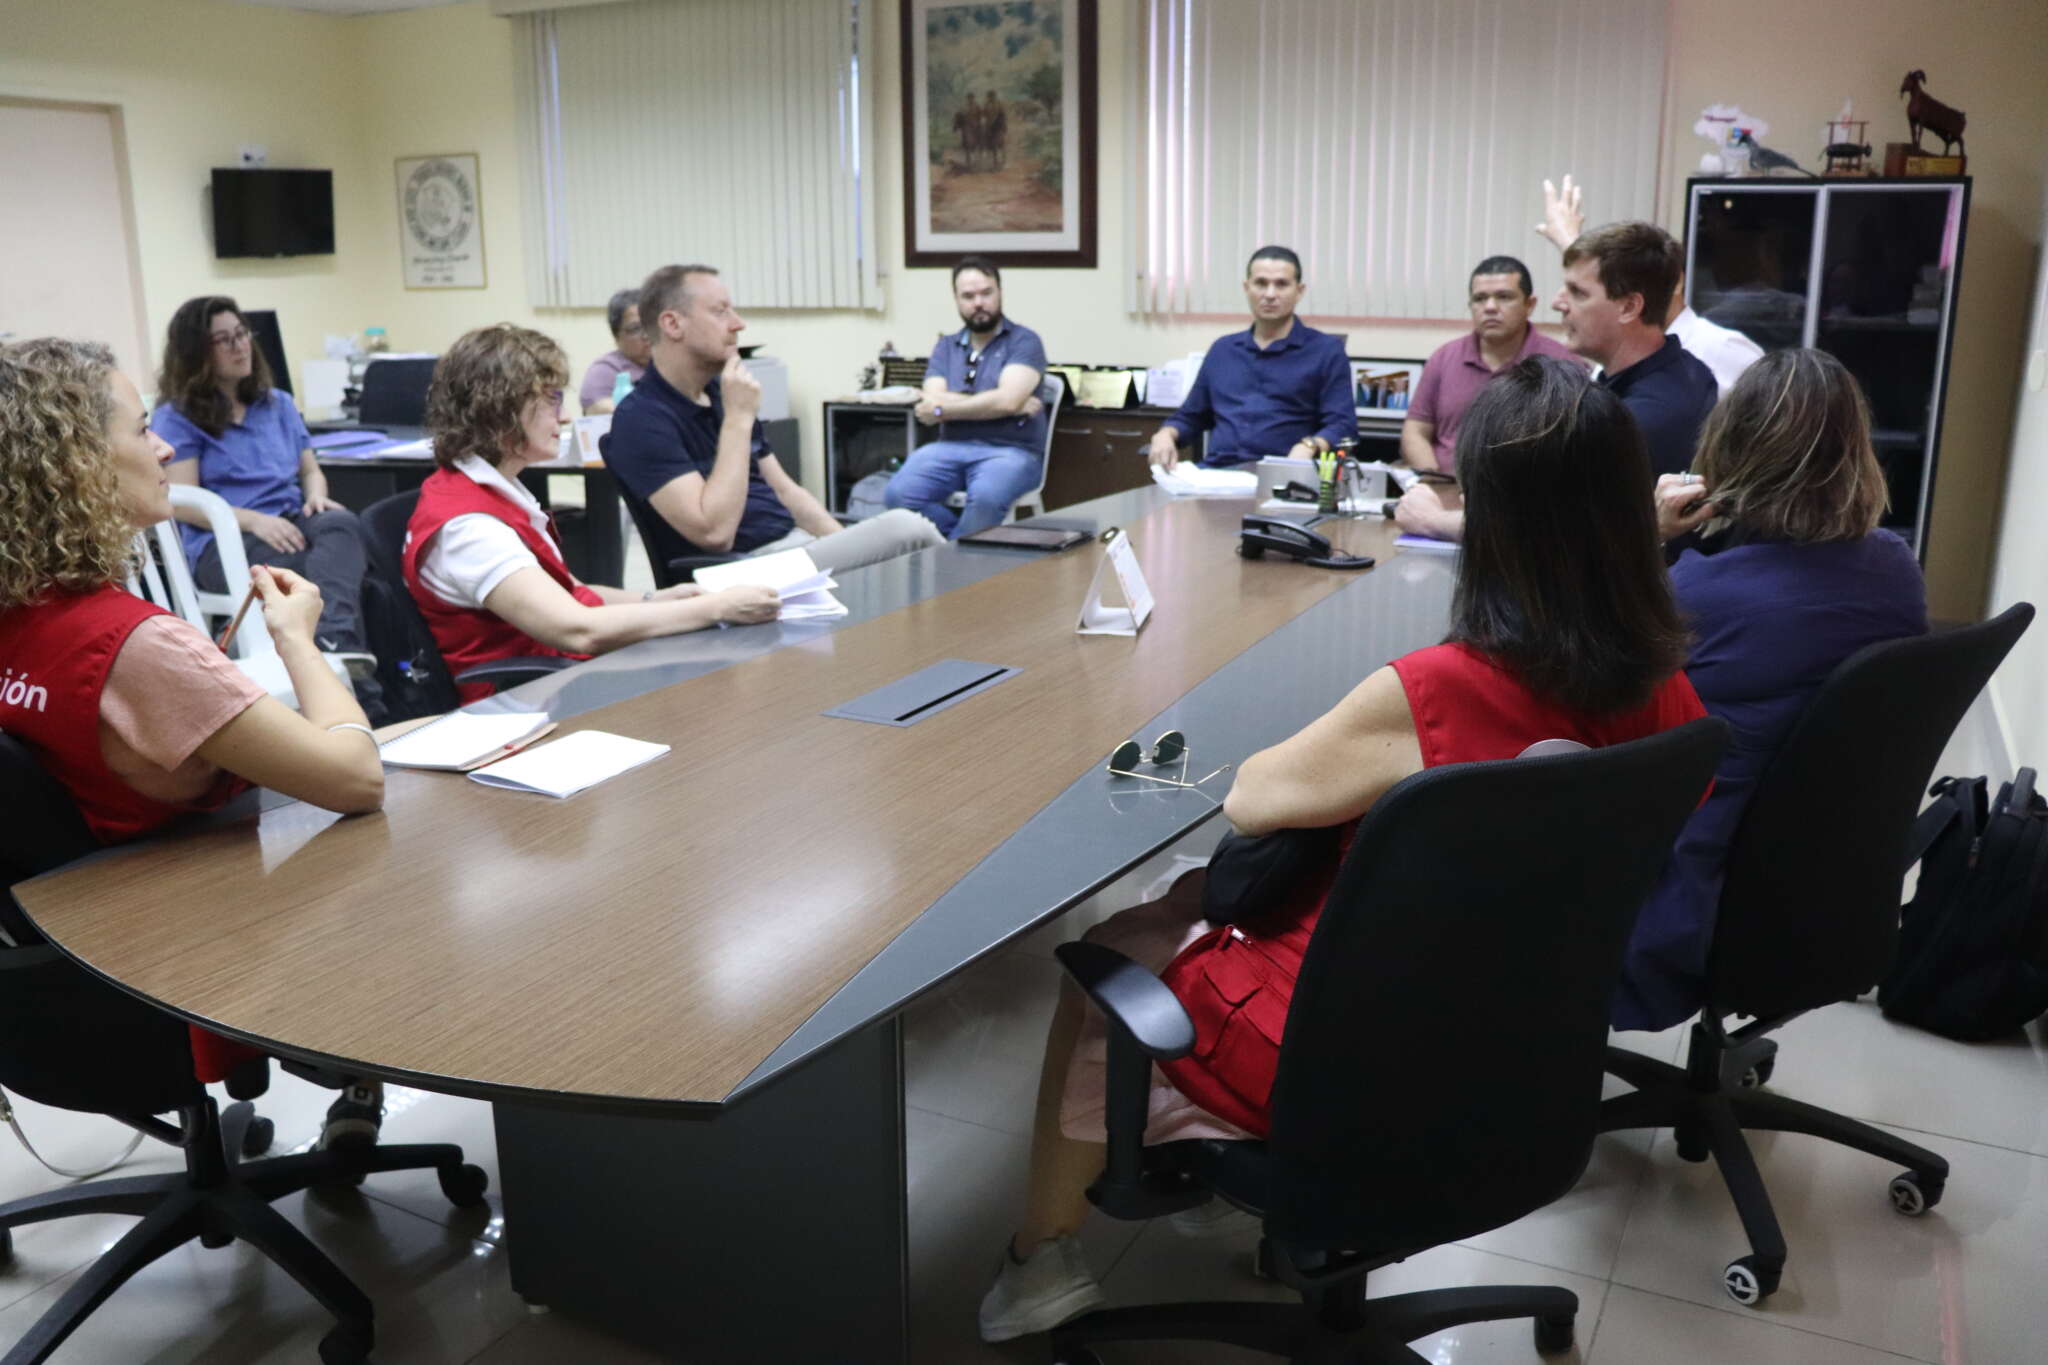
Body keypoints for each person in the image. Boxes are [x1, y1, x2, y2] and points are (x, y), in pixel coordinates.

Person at [978, 356, 1708, 1343]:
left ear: (1488, 518)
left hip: (1341, 1059)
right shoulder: (1669, 694)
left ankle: (1040, 1262)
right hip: (1521, 1046)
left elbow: (1248, 800)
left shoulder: (1443, 687)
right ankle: (1280, 1233)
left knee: (1117, 944)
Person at [0, 336, 393, 1156]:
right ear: (74, 463)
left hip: (71, 949)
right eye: (143, 429)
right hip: (184, 951)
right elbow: (356, 778)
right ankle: (371, 1069)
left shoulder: (23, 620)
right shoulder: (134, 647)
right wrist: (298, 640)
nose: (166, 447)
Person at [1616, 348, 1926, 1031]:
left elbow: (1594, 690)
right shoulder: (1897, 571)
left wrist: (1646, 534)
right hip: (1827, 887)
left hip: (1687, 898)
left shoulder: (1698, 595)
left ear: (1728, 448)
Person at [403, 324, 779, 702]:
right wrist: (714, 607)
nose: (564, 417)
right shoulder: (471, 529)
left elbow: (570, 593)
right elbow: (578, 629)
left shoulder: (484, 489)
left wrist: (655, 600)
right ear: (501, 408)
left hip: (562, 681)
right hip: (527, 707)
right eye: (551, 400)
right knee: (720, 689)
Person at [605, 264, 944, 574]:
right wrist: (737, 420)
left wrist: (848, 549)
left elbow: (785, 490)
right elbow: (715, 533)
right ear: (672, 324)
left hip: (792, 548)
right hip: (739, 571)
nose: (738, 324)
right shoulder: (641, 419)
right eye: (720, 311)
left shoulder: (722, 394)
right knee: (906, 528)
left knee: (897, 551)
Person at [1394, 221, 1720, 543]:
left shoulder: (1640, 416)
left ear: (1629, 306)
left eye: (1577, 292)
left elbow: (1546, 535)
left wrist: (1433, 520)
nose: (1558, 303)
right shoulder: (1684, 370)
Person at [151, 295, 384, 719]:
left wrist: (315, 493)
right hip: (224, 541)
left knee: (344, 523)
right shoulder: (177, 417)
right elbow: (180, 500)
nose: (240, 347)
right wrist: (254, 521)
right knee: (312, 570)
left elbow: (310, 471)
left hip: (291, 521)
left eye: (242, 334)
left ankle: (335, 643)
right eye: (224, 340)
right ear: (196, 354)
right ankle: (356, 693)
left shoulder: (276, 403)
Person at [1535, 175, 1763, 396]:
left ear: (1677, 281)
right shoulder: (1619, 360)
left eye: (1579, 292)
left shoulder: (1724, 350)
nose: (1559, 303)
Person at [882, 256, 1051, 539]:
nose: (979, 303)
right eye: (968, 296)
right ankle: (954, 549)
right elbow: (931, 403)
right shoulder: (945, 347)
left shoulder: (1025, 341)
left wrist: (947, 408)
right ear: (957, 300)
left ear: (999, 292)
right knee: (897, 495)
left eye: (986, 293)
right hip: (949, 447)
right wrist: (1000, 403)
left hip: (1011, 452)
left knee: (985, 499)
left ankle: (954, 563)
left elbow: (1005, 401)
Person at [1145, 247, 1356, 471]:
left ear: (1299, 291)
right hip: (1216, 476)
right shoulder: (1223, 350)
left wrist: (1310, 445)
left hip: (1283, 477)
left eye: (1282, 284)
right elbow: (1192, 416)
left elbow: (1342, 426)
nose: (1270, 294)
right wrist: (1165, 434)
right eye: (1261, 283)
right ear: (1247, 288)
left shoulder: (1325, 351)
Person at [1400, 254, 1582, 473]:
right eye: (1480, 298)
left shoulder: (1562, 363)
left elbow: (1577, 445)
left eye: (1504, 297)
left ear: (1530, 305)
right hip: (1445, 491)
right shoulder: (1444, 358)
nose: (1490, 307)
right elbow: (1415, 431)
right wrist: (1434, 481)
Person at [578, 288, 653, 415]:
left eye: (650, 325)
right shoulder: (606, 369)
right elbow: (600, 409)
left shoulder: (669, 362)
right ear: (616, 336)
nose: (646, 335)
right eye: (635, 329)